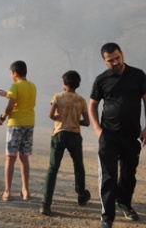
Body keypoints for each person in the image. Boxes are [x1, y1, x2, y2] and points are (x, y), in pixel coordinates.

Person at [88, 42, 146, 228]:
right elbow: (92, 105)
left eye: (117, 58)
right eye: (111, 60)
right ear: (104, 61)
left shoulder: (138, 75)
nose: (115, 62)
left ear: (122, 55)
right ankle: (107, 217)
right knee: (108, 176)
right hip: (108, 136)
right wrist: (97, 130)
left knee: (128, 174)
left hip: (132, 135)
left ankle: (124, 204)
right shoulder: (101, 80)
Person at [40, 70, 91, 216]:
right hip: (74, 135)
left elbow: (51, 115)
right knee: (78, 166)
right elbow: (86, 122)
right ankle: (81, 195)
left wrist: (60, 119)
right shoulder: (81, 100)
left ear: (64, 84)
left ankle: (46, 203)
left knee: (53, 168)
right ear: (78, 85)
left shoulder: (58, 96)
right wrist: (75, 121)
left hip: (59, 134)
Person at [0, 60, 36, 201]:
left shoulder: (15, 85)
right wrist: (7, 94)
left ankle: (7, 191)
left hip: (16, 124)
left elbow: (10, 107)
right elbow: (20, 98)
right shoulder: (32, 86)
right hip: (29, 123)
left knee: (11, 157)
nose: (11, 76)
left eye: (11, 73)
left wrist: (2, 117)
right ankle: (25, 190)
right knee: (24, 157)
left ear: (15, 73)